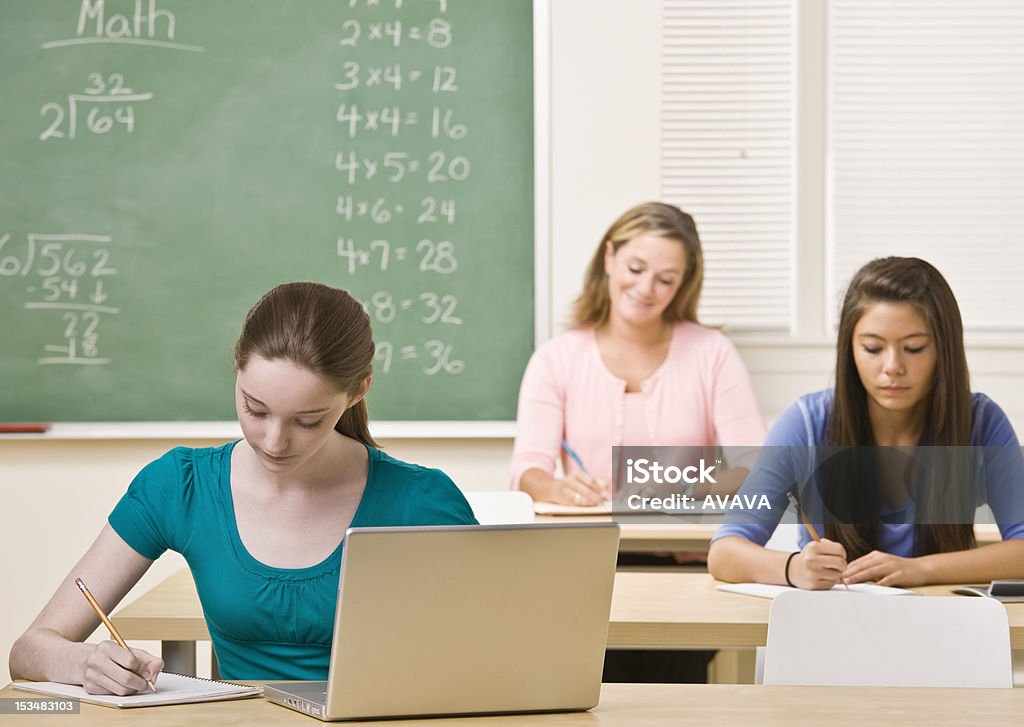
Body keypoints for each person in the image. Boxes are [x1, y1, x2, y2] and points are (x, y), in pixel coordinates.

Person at [9, 282, 477, 692]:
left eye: (308, 421)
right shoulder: (181, 484)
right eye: (255, 409)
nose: (273, 442)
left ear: (358, 391)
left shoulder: (421, 501)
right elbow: (29, 650)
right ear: (237, 370)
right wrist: (84, 662)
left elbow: (500, 653)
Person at [708, 257, 1024, 589]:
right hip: (834, 625)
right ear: (850, 349)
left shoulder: (981, 423)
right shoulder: (805, 423)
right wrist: (793, 567)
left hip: (943, 624)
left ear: (943, 350)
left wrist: (920, 570)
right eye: (872, 348)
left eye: (914, 348)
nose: (892, 366)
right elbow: (725, 551)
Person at [511, 201, 765, 506]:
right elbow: (527, 470)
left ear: (682, 282)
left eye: (665, 279)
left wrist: (684, 489)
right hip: (593, 547)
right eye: (635, 269)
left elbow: (756, 467)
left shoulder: (713, 353)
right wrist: (555, 489)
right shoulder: (555, 360)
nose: (645, 288)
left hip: (690, 549)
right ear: (609, 258)